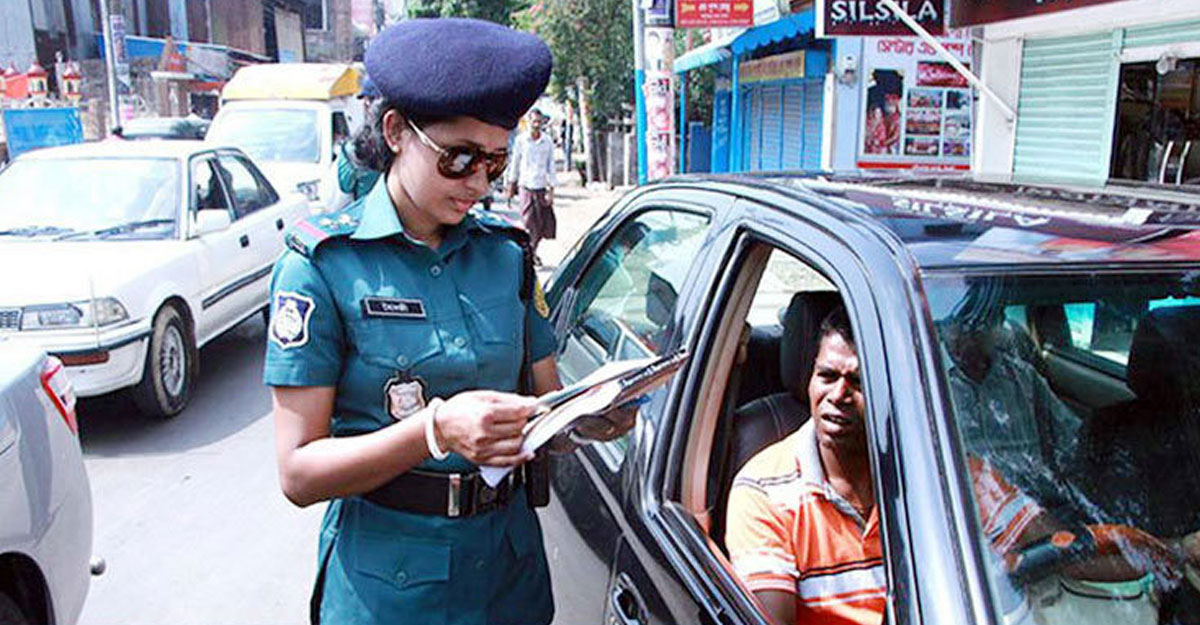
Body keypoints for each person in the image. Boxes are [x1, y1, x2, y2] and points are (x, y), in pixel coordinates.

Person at [263, 19, 630, 625]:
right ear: (397, 132)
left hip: (508, 572)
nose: (479, 185)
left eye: (494, 162)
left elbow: (545, 407)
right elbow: (298, 472)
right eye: (458, 159)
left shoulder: (508, 255)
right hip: (390, 587)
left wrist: (589, 418)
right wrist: (434, 432)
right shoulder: (324, 267)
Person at [724, 306, 1193, 625]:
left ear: (894, 394)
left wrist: (1173, 551)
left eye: (860, 383)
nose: (838, 397)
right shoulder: (764, 492)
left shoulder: (954, 475)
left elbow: (1060, 548)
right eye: (827, 376)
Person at [506, 108, 557, 265]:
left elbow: (551, 166)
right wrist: (510, 187)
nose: (536, 125)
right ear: (528, 122)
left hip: (541, 187)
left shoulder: (547, 141)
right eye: (533, 121)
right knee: (528, 222)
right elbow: (515, 164)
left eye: (538, 122)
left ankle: (532, 252)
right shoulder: (521, 140)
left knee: (542, 225)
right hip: (525, 186)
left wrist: (552, 191)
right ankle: (529, 254)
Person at [337, 76, 383, 201]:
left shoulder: (352, 150)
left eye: (367, 101)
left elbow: (341, 191)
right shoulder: (408, 142)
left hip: (366, 215)